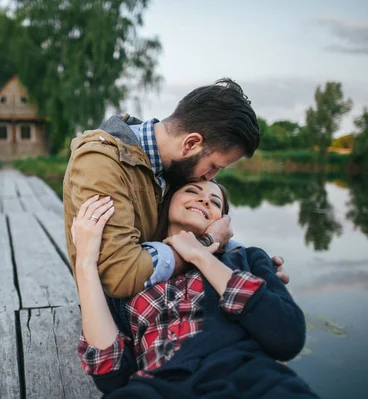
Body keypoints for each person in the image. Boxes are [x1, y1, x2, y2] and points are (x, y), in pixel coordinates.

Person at [71, 181, 318, 398]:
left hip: (248, 377)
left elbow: (288, 336)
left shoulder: (246, 259)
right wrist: (85, 262)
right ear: (167, 203)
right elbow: (111, 375)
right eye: (192, 190)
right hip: (157, 385)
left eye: (215, 201)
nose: (204, 200)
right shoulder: (131, 273)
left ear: (222, 222)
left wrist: (200, 254)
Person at [63, 78, 287, 306]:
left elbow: (204, 226)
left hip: (169, 299)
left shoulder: (173, 167)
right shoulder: (101, 163)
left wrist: (249, 267)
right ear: (191, 143)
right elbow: (120, 275)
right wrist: (204, 244)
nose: (209, 178)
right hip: (115, 318)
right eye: (214, 166)